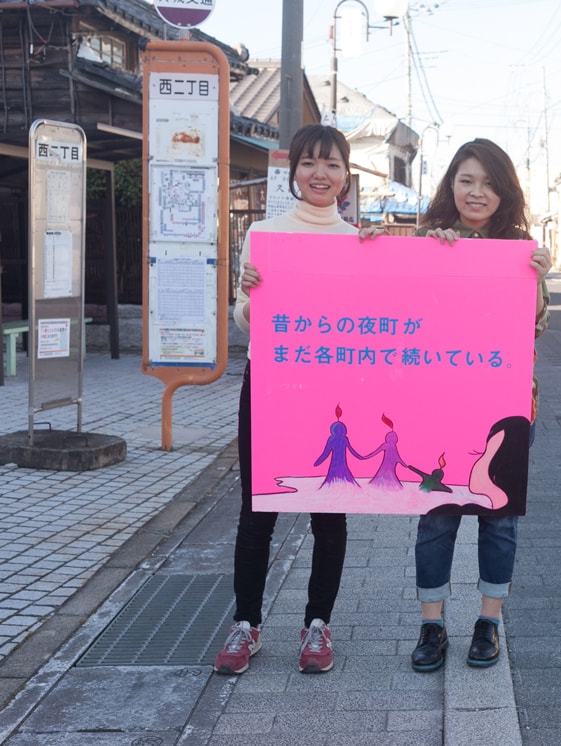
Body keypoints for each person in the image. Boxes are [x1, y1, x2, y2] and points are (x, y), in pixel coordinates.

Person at [397, 138, 551, 671]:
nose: (477, 192)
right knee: (436, 517)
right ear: (451, 186)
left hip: (507, 407)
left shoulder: (521, 248)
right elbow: (398, 308)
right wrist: (421, 253)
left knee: (499, 518)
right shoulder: (427, 240)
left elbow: (534, 326)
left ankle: (489, 622)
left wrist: (536, 277)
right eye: (466, 180)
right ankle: (432, 625)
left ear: (505, 191)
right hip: (439, 407)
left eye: (489, 183)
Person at [213, 123, 360, 676]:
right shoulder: (264, 236)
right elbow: (244, 320)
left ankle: (318, 625)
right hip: (272, 385)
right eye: (309, 163)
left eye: (332, 164)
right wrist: (253, 299)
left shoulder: (360, 244)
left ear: (346, 175)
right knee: (258, 510)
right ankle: (246, 625)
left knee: (329, 512)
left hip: (335, 391)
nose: (320, 174)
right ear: (293, 172)